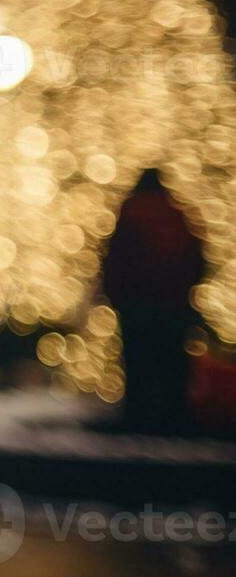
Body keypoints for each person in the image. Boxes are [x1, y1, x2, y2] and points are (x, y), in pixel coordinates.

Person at [102, 168, 207, 434]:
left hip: (137, 305)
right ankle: (174, 416)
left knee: (138, 362)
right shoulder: (176, 214)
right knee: (172, 363)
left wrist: (115, 295)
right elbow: (197, 258)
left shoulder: (131, 213)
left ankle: (137, 415)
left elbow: (117, 260)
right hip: (173, 305)